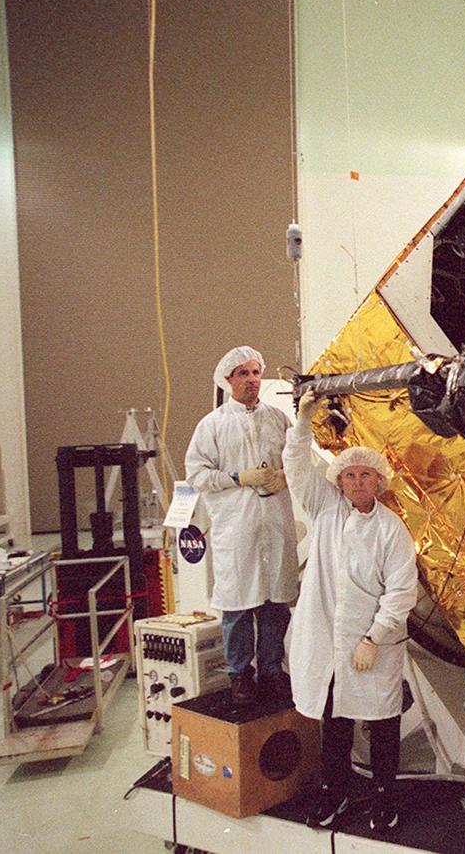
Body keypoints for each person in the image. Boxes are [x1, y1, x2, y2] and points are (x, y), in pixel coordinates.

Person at [284, 388, 418, 834]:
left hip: (373, 646)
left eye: (365, 475)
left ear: (379, 482)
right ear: (339, 481)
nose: (357, 482)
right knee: (335, 722)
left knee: (382, 724)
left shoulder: (391, 530)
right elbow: (296, 468)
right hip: (328, 641)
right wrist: (302, 423)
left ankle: (384, 797)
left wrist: (373, 638)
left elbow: (401, 591)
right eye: (349, 475)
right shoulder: (325, 509)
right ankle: (335, 792)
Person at [184, 346, 298, 707]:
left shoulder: (279, 419)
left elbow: (298, 460)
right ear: (228, 380)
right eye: (244, 374)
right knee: (237, 608)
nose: (252, 380)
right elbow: (197, 474)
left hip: (275, 525)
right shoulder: (212, 425)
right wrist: (238, 477)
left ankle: (272, 670)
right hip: (237, 529)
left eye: (255, 372)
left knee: (275, 604)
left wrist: (285, 476)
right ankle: (240, 675)